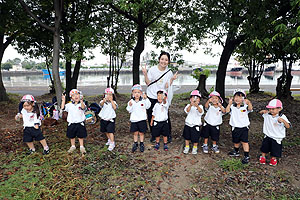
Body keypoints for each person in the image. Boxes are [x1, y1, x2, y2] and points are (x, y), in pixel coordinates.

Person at [142, 51, 178, 143]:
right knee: (151, 115)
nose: (164, 61)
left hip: (162, 97)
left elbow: (167, 86)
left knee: (165, 115)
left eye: (166, 60)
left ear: (168, 62)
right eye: (162, 59)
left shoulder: (169, 72)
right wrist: (145, 74)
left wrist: (172, 80)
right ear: (159, 59)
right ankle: (154, 134)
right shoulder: (153, 69)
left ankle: (167, 134)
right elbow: (148, 83)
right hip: (151, 95)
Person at [259, 99, 290, 166]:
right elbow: (260, 113)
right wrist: (263, 111)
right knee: (264, 147)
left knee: (275, 149)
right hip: (268, 135)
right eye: (270, 109)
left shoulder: (282, 116)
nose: (271, 110)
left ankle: (273, 158)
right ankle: (263, 157)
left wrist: (283, 121)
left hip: (277, 137)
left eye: (273, 109)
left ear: (279, 109)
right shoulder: (267, 115)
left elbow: (288, 126)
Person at [225, 89, 253, 164]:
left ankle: (246, 155)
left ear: (244, 99)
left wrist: (249, 102)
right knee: (236, 140)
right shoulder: (232, 107)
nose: (238, 99)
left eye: (240, 97)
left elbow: (250, 109)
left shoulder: (245, 106)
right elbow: (226, 111)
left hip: (244, 127)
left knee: (245, 142)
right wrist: (229, 104)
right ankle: (236, 151)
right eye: (236, 97)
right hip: (235, 127)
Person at [61, 89, 87, 155]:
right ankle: (73, 146)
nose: (76, 96)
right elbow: (62, 108)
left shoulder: (81, 104)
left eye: (77, 94)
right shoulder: (69, 105)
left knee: (80, 135)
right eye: (73, 95)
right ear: (71, 97)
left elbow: (83, 108)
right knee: (71, 135)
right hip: (71, 123)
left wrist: (81, 101)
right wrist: (63, 100)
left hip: (80, 122)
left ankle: (82, 146)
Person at [126, 84, 151, 152]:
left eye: (138, 92)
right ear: (132, 93)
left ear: (141, 93)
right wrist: (130, 106)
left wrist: (146, 98)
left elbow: (148, 106)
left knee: (141, 133)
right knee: (135, 133)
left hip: (142, 119)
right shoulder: (131, 101)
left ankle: (142, 143)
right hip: (134, 120)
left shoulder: (143, 101)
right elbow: (129, 110)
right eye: (135, 92)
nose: (137, 94)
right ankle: (135, 143)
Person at [182, 90, 204, 155]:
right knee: (187, 137)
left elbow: (201, 112)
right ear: (190, 99)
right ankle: (187, 146)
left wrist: (197, 106)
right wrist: (191, 105)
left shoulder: (200, 106)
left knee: (195, 138)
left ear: (199, 100)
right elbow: (187, 111)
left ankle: (195, 147)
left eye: (197, 98)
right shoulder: (189, 105)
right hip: (188, 124)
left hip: (195, 125)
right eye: (193, 98)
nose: (195, 99)